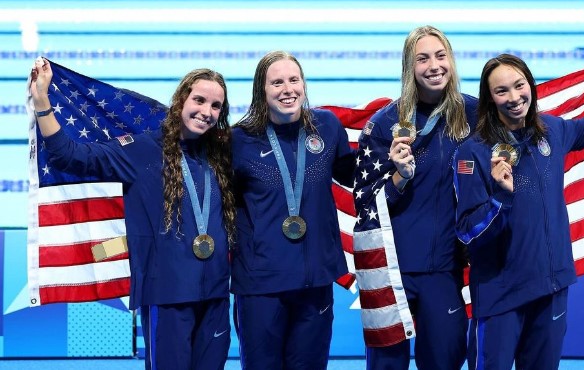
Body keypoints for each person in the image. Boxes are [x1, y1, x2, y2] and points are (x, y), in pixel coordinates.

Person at [29, 59, 235, 370]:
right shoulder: (141, 150)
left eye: (216, 105)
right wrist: (43, 100)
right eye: (200, 100)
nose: (207, 111)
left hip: (216, 294)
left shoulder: (222, 155)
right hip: (167, 295)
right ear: (181, 100)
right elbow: (69, 156)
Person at [453, 51, 584, 370]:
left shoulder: (552, 131)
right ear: (489, 100)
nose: (514, 97)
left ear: (531, 86)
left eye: (519, 85)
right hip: (501, 295)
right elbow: (468, 232)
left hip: (551, 286)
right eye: (502, 91)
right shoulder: (473, 153)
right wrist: (500, 197)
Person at [353, 25, 477, 369]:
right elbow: (364, 206)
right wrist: (398, 179)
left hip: (445, 270)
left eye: (440, 56)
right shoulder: (383, 124)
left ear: (451, 60)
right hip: (393, 271)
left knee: (444, 362)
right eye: (422, 59)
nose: (433, 65)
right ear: (409, 67)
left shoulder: (474, 114)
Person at [231, 51, 356, 369]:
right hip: (260, 287)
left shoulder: (326, 127)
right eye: (277, 82)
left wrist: (395, 162)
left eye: (293, 80)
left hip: (313, 282)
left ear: (303, 84)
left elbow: (355, 175)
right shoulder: (239, 140)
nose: (287, 89)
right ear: (262, 90)